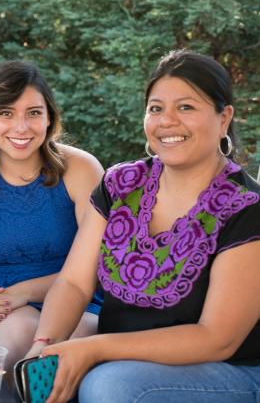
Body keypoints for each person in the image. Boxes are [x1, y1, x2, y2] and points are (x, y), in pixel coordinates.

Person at [26, 50, 260, 402]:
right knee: (43, 371)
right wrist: (44, 344)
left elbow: (217, 338)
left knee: (109, 387)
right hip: (121, 355)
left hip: (229, 369)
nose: (167, 121)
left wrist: (94, 348)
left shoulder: (246, 206)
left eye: (185, 107)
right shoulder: (120, 184)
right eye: (155, 108)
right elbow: (73, 282)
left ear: (223, 117)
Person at [0, 61, 104, 367]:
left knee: (71, 337)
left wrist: (24, 292)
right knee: (20, 331)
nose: (21, 127)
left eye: (33, 113)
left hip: (77, 298)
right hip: (0, 307)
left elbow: (98, 265)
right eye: (6, 113)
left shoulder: (82, 170)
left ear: (49, 117)